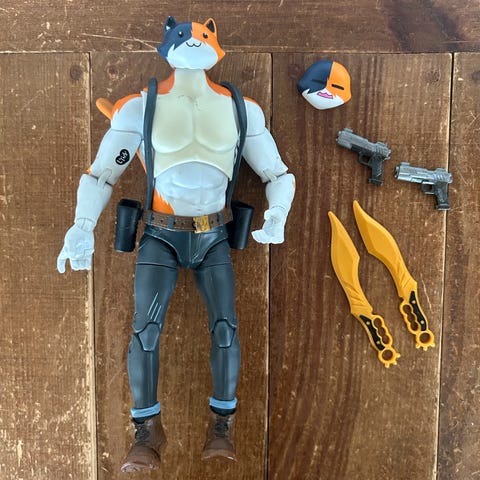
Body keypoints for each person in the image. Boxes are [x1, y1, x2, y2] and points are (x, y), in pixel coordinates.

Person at [57, 16, 295, 472]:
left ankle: (222, 426)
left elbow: (278, 175)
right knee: (145, 331)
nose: (194, 40)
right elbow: (102, 173)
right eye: (184, 35)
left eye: (204, 34)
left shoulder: (242, 110)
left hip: (213, 234)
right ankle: (146, 431)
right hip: (161, 234)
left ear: (216, 44)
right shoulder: (139, 109)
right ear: (166, 44)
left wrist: (278, 212)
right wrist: (81, 225)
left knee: (225, 327)